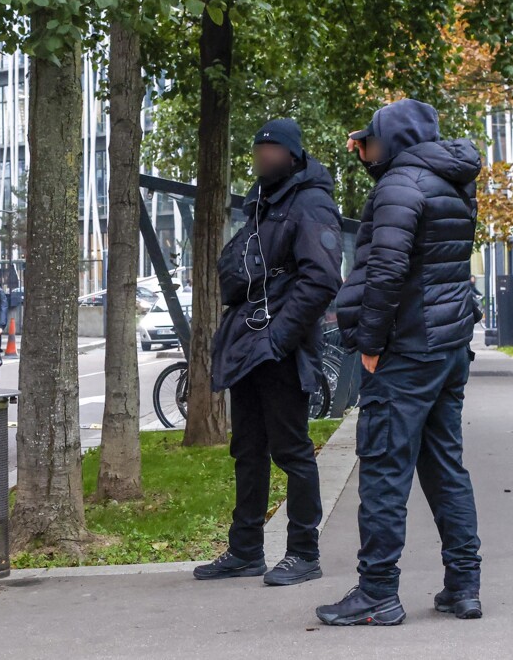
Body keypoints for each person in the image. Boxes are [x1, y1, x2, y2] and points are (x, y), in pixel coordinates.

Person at [316, 98, 483, 627]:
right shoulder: (453, 181)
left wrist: (368, 342)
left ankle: (378, 593)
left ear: (397, 140)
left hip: (407, 348)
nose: (369, 149)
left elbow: (386, 269)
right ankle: (464, 586)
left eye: (375, 140)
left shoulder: (397, 187)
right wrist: (372, 154)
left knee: (385, 467)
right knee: (444, 466)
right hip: (448, 346)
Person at [193, 119, 343, 587]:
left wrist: (280, 337)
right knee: (248, 449)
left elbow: (321, 279)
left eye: (272, 149)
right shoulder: (262, 201)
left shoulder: (311, 202)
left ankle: (304, 553)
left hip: (280, 349)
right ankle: (245, 551)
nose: (262, 157)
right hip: (249, 346)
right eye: (259, 149)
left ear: (294, 154)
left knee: (292, 450)